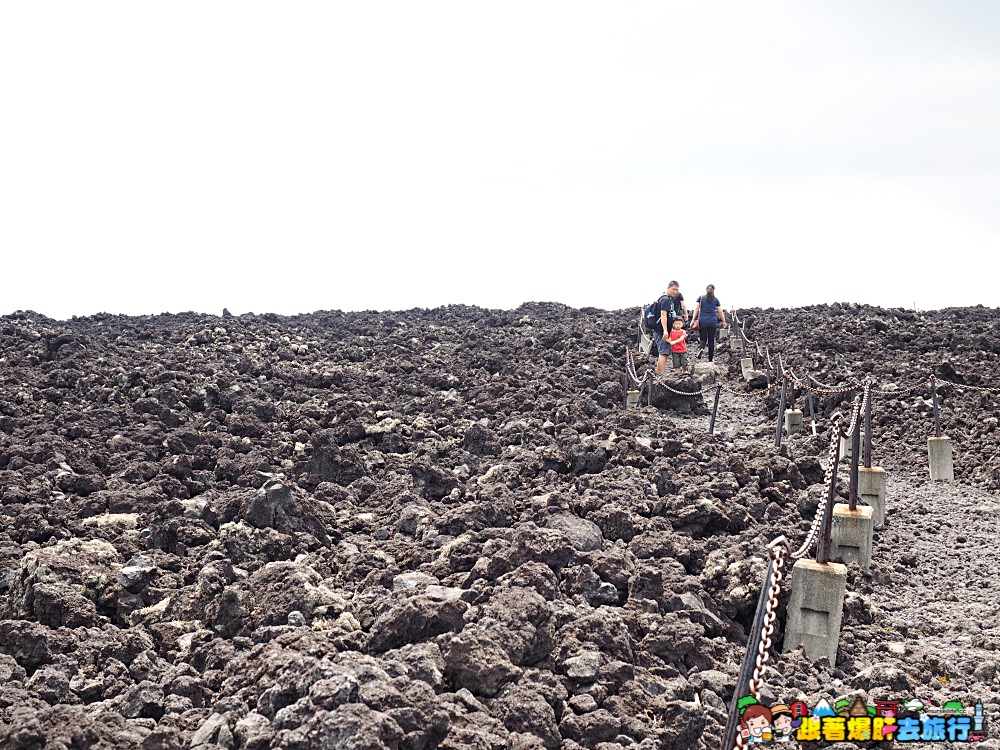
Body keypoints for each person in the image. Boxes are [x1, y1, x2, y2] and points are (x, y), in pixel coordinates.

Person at [690, 284, 727, 362]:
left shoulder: (700, 298)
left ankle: (702, 349)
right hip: (712, 322)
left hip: (703, 321)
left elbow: (696, 309)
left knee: (703, 338)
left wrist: (693, 320)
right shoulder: (716, 300)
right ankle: (710, 359)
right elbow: (720, 311)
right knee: (711, 340)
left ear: (706, 290)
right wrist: (724, 321)